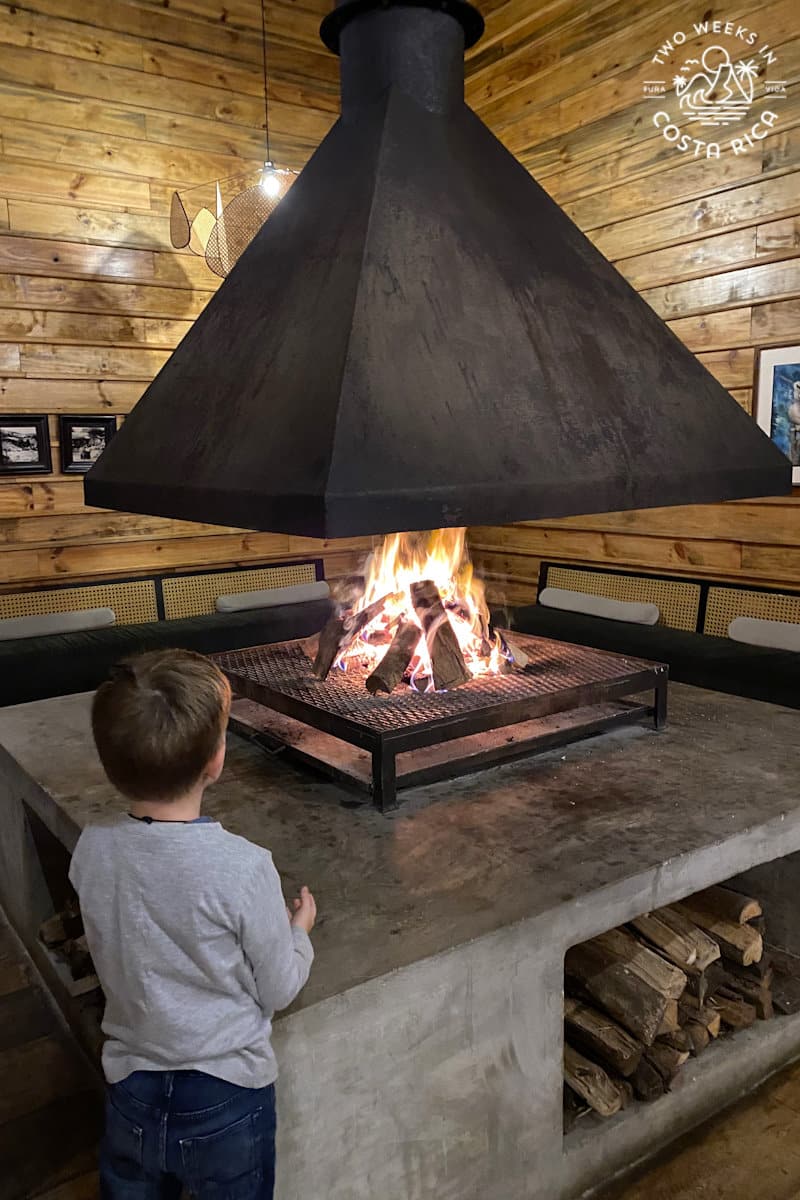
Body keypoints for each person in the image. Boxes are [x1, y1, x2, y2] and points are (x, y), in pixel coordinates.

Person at [69, 648, 316, 1200]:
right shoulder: (244, 868)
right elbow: (277, 987)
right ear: (216, 760)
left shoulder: (92, 850)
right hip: (227, 1098)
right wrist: (297, 932)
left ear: (110, 764)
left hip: (130, 1088)